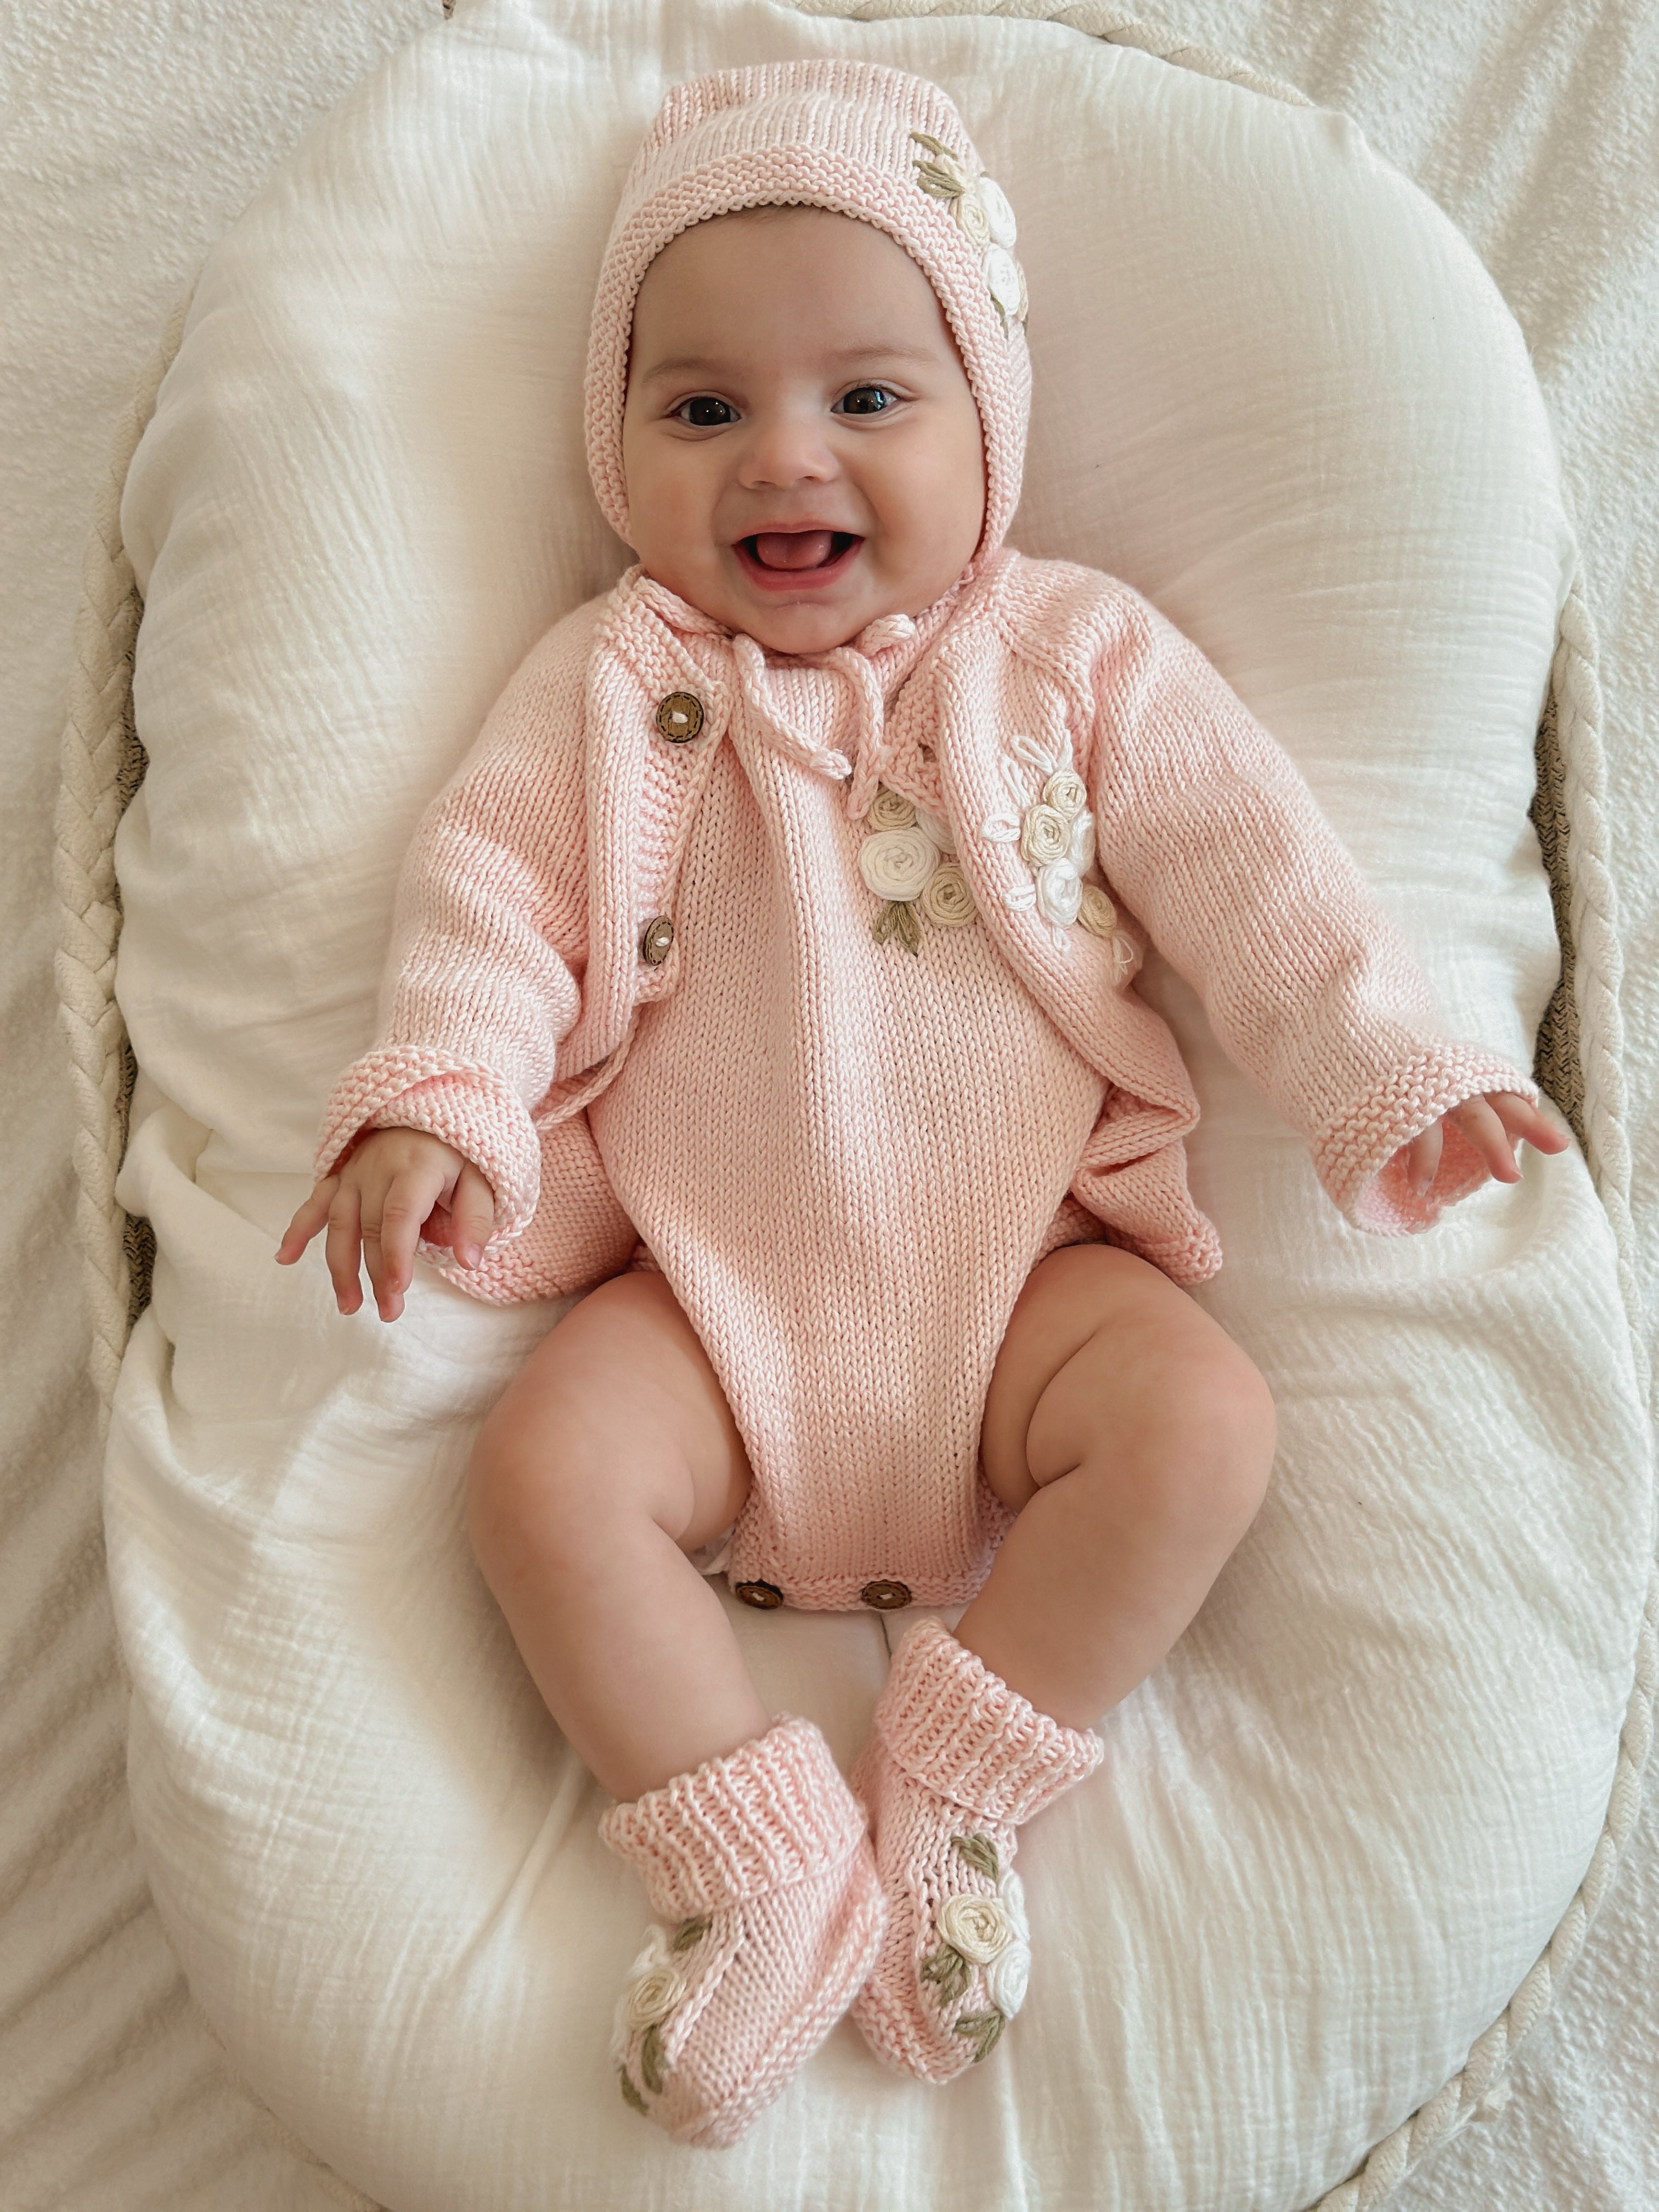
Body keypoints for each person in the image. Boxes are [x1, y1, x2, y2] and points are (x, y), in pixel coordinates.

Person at [277, 60, 1567, 2148]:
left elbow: (1259, 879)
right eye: (701, 407)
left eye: (873, 398)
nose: (786, 453)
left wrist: (1383, 1067)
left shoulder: (1068, 654)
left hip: (1020, 1291)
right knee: (536, 1482)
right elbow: (492, 900)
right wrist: (438, 1097)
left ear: (993, 423)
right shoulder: (609, 687)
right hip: (701, 1300)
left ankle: (957, 1799)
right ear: (617, 441)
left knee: (1202, 1423)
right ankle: (756, 1862)